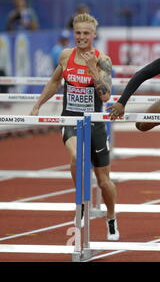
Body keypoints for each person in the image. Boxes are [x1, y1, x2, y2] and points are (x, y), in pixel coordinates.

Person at [30, 13, 119, 241]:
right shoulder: (66, 56)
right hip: (70, 120)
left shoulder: (103, 60)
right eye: (78, 33)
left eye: (86, 33)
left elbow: (106, 95)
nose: (81, 37)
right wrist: (38, 105)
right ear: (73, 33)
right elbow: (54, 82)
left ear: (94, 35)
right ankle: (80, 202)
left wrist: (93, 70)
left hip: (96, 123)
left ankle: (111, 217)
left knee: (103, 181)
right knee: (76, 158)